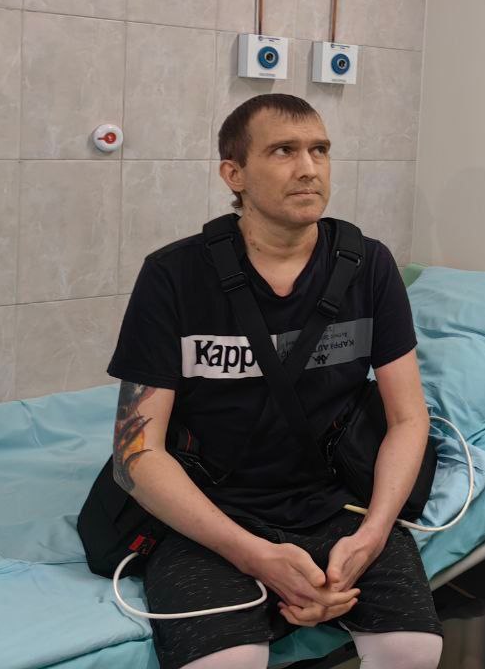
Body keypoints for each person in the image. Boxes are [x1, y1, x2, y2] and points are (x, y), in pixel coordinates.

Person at [107, 94, 442, 669]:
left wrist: (373, 533)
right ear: (233, 174)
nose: (309, 168)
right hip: (210, 509)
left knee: (413, 650)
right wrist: (253, 556)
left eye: (320, 150)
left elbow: (409, 418)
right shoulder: (174, 274)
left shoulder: (369, 266)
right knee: (226, 662)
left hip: (333, 502)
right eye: (284, 151)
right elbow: (135, 452)